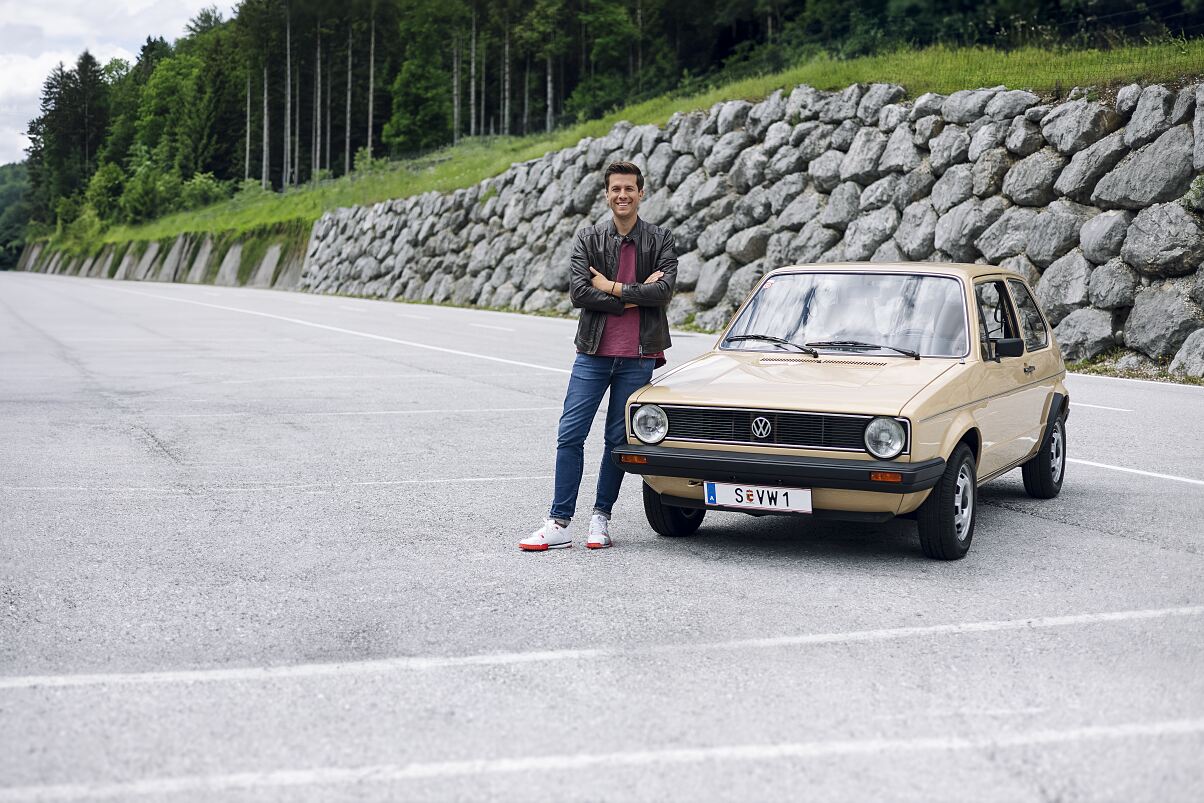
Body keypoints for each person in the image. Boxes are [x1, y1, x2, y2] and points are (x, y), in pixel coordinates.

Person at [520, 161, 678, 551]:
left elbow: (664, 294)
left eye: (629, 188)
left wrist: (610, 286)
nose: (622, 195)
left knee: (616, 440)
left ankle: (600, 518)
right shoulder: (589, 238)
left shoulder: (660, 239)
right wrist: (633, 295)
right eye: (615, 189)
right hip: (593, 352)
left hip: (639, 355)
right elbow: (579, 293)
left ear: (642, 193)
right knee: (570, 434)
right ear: (606, 194)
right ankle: (559, 521)